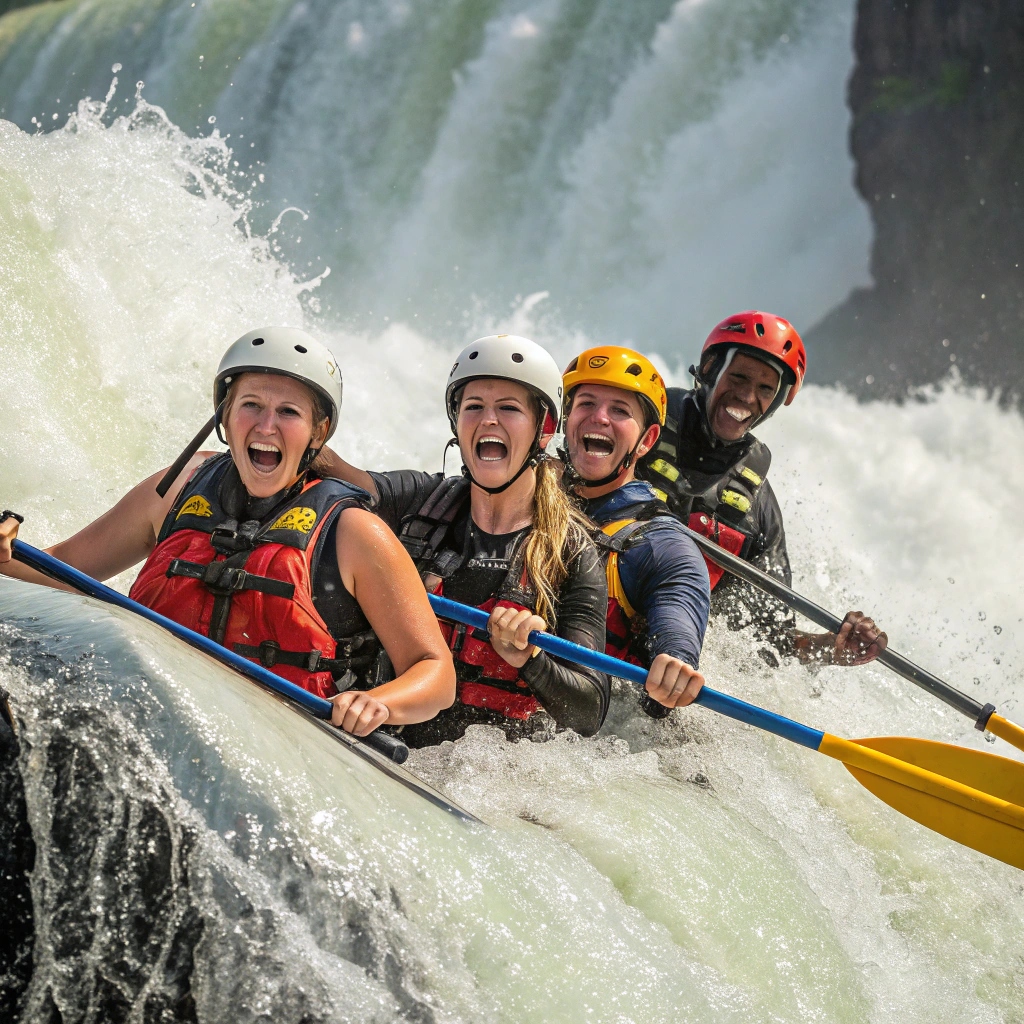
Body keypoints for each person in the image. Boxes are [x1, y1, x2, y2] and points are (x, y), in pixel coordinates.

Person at [0, 328, 455, 737]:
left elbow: (436, 674)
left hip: (276, 737)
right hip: (147, 708)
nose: (265, 426)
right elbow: (64, 569)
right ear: (224, 415)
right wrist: (6, 553)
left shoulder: (353, 530)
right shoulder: (176, 488)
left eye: (288, 412)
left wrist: (378, 703)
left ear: (319, 433)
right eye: (251, 405)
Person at [320, 335, 611, 747]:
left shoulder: (572, 554)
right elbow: (335, 472)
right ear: (456, 422)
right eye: (474, 407)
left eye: (508, 408)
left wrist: (531, 659)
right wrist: (282, 426)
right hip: (382, 741)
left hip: (486, 778)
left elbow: (590, 710)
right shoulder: (420, 502)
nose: (488, 420)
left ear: (544, 429)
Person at [637, 310, 887, 666]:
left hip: (670, 668)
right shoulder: (638, 427)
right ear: (709, 369)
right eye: (737, 377)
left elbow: (770, 641)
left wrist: (833, 647)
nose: (746, 396)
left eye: (765, 389)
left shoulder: (757, 506)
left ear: (777, 400)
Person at [559, 347, 711, 719]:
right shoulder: (514, 492)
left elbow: (678, 610)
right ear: (565, 420)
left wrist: (676, 659)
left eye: (620, 411)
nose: (599, 418)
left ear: (646, 440)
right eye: (586, 403)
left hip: (594, 732)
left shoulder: (661, 544)